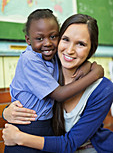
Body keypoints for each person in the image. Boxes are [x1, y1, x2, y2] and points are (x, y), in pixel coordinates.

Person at [3, 13, 113, 153]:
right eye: (66, 39)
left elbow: (69, 143)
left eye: (81, 44)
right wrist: (6, 112)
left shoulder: (103, 89)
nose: (70, 50)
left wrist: (19, 137)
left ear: (91, 48)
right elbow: (27, 96)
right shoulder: (50, 70)